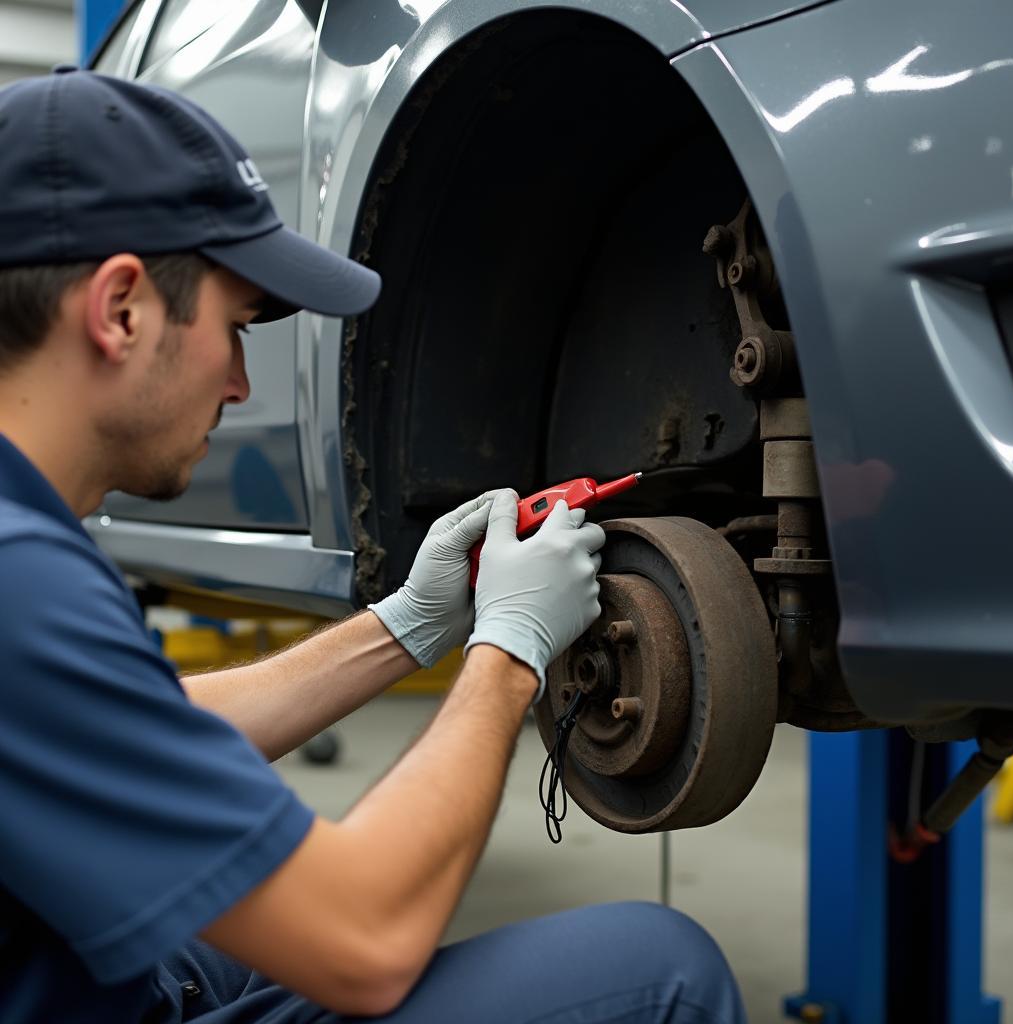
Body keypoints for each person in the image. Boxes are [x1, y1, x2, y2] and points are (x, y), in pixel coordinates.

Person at [0, 67, 746, 1023]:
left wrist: (408, 625)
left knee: (190, 946)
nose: (237, 382)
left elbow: (127, 732)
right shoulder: (21, 589)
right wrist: (508, 654)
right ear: (120, 310)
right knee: (661, 971)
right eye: (234, 328)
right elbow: (365, 940)